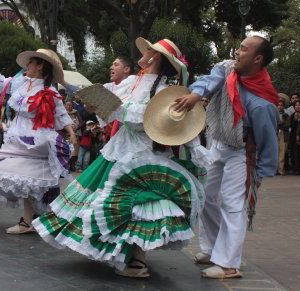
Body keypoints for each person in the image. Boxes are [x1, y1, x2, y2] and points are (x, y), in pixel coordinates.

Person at [34, 37, 209, 278]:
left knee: (140, 203)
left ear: (155, 56)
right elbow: (108, 98)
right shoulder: (132, 83)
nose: (144, 53)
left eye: (149, 50)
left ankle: (138, 259)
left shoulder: (164, 90)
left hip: (144, 154)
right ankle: (120, 252)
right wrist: (95, 104)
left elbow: (148, 117)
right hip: (120, 148)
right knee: (118, 203)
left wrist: (115, 108)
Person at [175, 36, 279, 279]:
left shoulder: (262, 103)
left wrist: (259, 175)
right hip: (218, 143)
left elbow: (268, 143)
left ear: (258, 59)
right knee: (205, 196)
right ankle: (212, 250)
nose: (238, 51)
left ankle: (229, 263)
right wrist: (194, 94)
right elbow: (210, 81)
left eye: (244, 49)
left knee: (233, 205)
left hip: (242, 153)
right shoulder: (227, 69)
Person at [0, 48, 76, 234]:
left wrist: (71, 133)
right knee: (21, 177)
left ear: (40, 66)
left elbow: (60, 113)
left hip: (38, 141)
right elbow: (1, 85)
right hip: (18, 137)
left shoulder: (48, 90)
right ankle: (33, 220)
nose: (27, 65)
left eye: (31, 62)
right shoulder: (20, 83)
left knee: (29, 179)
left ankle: (30, 221)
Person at [65, 100, 83, 171]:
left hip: (75, 134)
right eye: (68, 105)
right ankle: (67, 166)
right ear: (65, 106)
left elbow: (81, 122)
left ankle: (73, 165)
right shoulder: (63, 113)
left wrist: (77, 127)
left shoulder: (76, 112)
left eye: (70, 105)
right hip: (66, 134)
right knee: (67, 150)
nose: (69, 106)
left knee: (75, 150)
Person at [277, 94, 291, 175]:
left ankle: (281, 170)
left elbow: (287, 125)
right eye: (278, 105)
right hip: (275, 134)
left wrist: (279, 124)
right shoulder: (273, 114)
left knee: (282, 153)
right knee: (275, 152)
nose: (280, 107)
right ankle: (274, 169)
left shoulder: (286, 115)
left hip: (283, 134)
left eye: (281, 105)